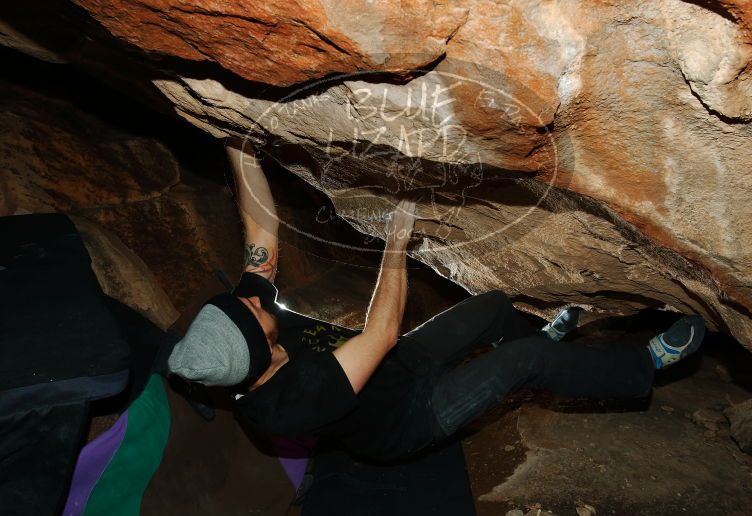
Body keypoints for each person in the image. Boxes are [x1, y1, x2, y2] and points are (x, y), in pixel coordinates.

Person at [168, 139, 706, 462]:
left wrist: (236, 148)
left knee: (494, 306)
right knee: (526, 362)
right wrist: (397, 240)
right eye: (257, 314)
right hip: (413, 418)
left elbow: (261, 240)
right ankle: (643, 366)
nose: (259, 302)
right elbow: (377, 332)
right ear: (259, 358)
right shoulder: (290, 405)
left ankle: (548, 347)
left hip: (401, 364)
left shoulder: (244, 333)